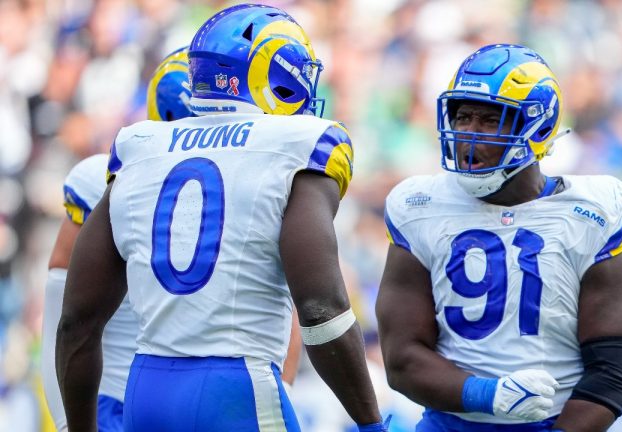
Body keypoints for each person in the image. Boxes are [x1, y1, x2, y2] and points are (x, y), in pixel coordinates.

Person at [55, 4, 386, 432]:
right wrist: (370, 422)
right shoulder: (295, 145)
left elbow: (77, 321)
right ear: (276, 72)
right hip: (235, 390)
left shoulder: (140, 147)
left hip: (146, 391)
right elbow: (321, 308)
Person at [376, 44, 622, 432]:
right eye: (463, 116)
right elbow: (402, 358)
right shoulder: (419, 205)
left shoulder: (595, 212)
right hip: (449, 423)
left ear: (536, 127)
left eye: (489, 120)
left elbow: (611, 373)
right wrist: (487, 394)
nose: (469, 134)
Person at [41, 46, 195, 431]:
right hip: (114, 399)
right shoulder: (103, 181)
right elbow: (65, 315)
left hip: (191, 400)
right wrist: (68, 418)